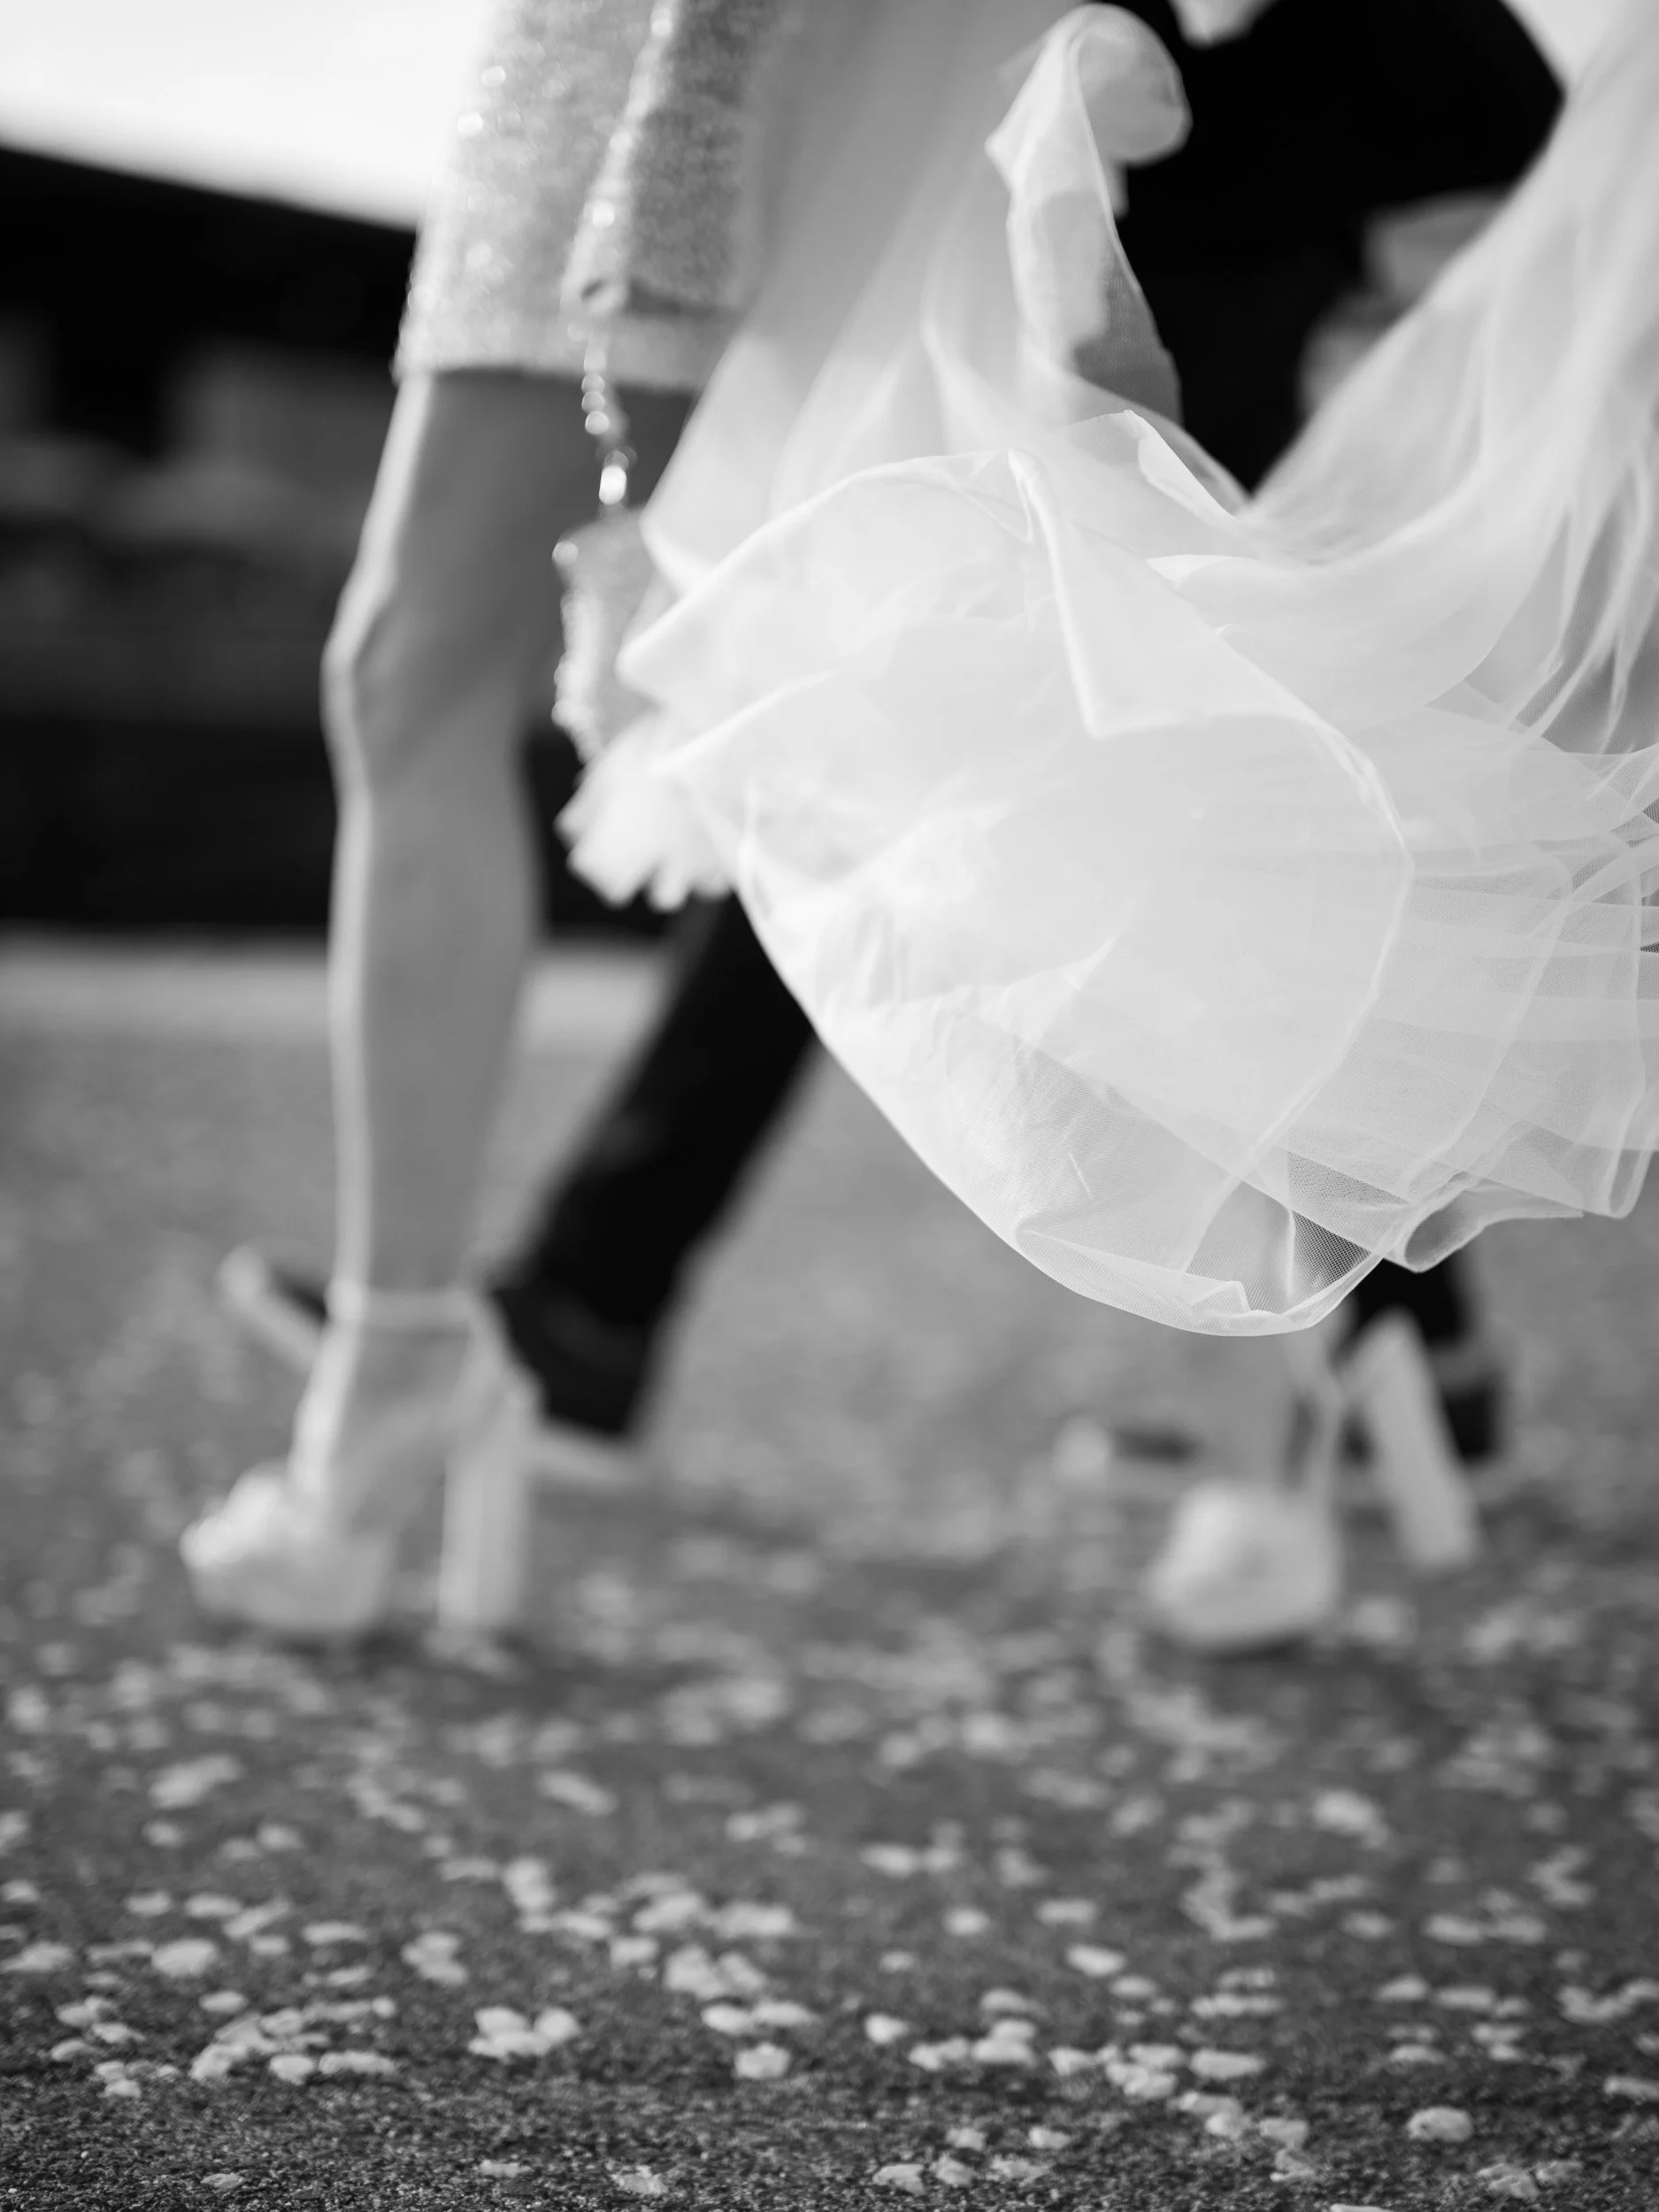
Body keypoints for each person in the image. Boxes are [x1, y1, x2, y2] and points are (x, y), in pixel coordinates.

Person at [217, 0, 1560, 1527]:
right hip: (988, 186)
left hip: (1032, 240)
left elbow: (1482, 176)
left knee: (987, 784)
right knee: (992, 767)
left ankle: (507, 1341)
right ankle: (1318, 1422)